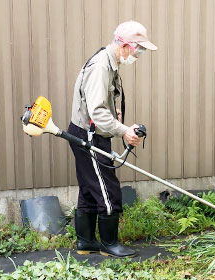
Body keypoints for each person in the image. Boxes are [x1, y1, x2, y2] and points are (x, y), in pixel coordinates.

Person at [67, 20, 157, 258]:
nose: (139, 54)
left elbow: (99, 103)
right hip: (88, 136)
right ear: (125, 45)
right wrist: (124, 130)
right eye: (138, 49)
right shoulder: (100, 67)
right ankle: (109, 244)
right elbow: (96, 112)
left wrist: (115, 114)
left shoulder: (110, 62)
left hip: (89, 132)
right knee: (108, 189)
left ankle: (86, 243)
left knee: (89, 188)